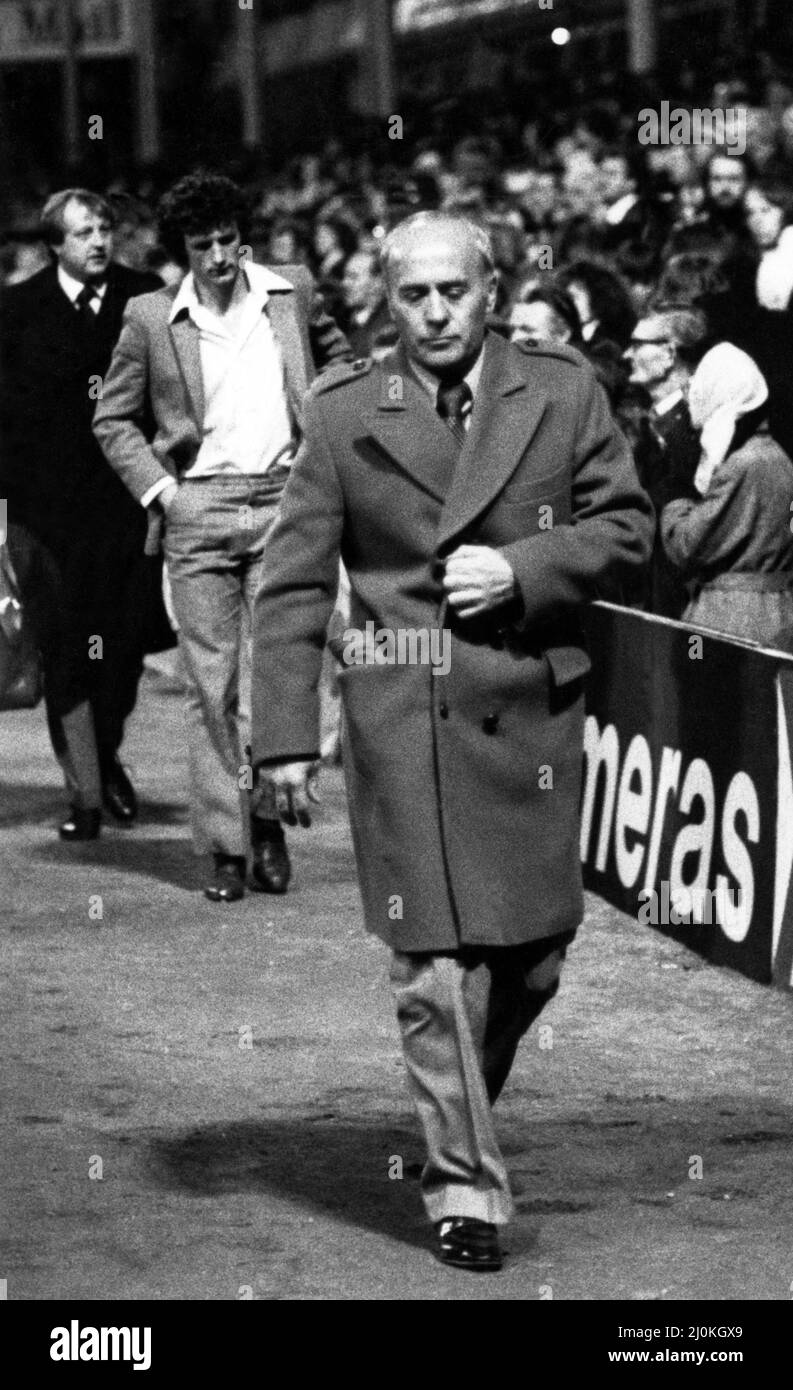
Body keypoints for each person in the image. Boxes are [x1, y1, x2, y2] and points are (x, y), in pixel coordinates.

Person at [250, 211, 653, 1271]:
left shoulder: (563, 392)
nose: (435, 312)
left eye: (454, 292)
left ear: (491, 289)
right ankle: (464, 1187)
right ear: (389, 300)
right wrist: (282, 738)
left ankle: (459, 1111)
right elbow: (291, 581)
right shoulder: (343, 415)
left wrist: (526, 570)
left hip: (527, 719)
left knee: (528, 964)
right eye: (414, 294)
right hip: (402, 721)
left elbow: (628, 529)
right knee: (430, 970)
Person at [93, 172, 352, 902]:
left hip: (283, 501)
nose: (217, 257)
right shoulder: (149, 316)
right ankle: (225, 847)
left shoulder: (291, 291)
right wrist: (164, 491)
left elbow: (340, 370)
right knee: (209, 682)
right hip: (199, 507)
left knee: (274, 672)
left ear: (245, 236)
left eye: (228, 240)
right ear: (181, 248)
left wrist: (323, 455)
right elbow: (112, 419)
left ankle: (267, 821)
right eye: (201, 245)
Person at [0, 188, 162, 839]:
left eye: (103, 229)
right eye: (83, 233)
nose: (98, 241)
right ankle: (85, 794)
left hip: (126, 507)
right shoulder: (16, 309)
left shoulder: (143, 294)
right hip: (47, 517)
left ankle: (107, 754)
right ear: (54, 247)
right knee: (66, 652)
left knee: (121, 652)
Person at [661, 343, 793, 648]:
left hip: (729, 620)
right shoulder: (777, 456)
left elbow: (686, 546)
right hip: (776, 612)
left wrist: (678, 490)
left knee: (715, 692)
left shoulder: (743, 464)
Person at [623, 305, 707, 615]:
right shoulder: (650, 425)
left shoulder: (699, 428)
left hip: (684, 600)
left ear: (669, 354)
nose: (625, 355)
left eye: (636, 345)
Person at [340, 247, 392, 357]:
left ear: (377, 282)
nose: (344, 283)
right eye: (344, 276)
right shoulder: (348, 319)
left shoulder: (390, 329)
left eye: (353, 277)